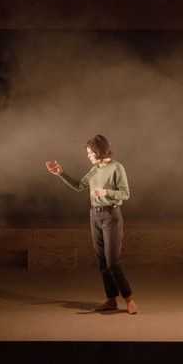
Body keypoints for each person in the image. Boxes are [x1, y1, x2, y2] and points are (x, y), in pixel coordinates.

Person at [46, 134, 137, 315]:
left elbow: (125, 194)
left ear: (99, 151)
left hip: (111, 216)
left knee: (113, 262)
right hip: (95, 216)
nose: (88, 156)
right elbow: (79, 186)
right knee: (102, 261)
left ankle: (129, 299)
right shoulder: (94, 169)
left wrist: (105, 192)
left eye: (90, 152)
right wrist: (60, 173)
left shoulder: (116, 168)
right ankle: (111, 300)